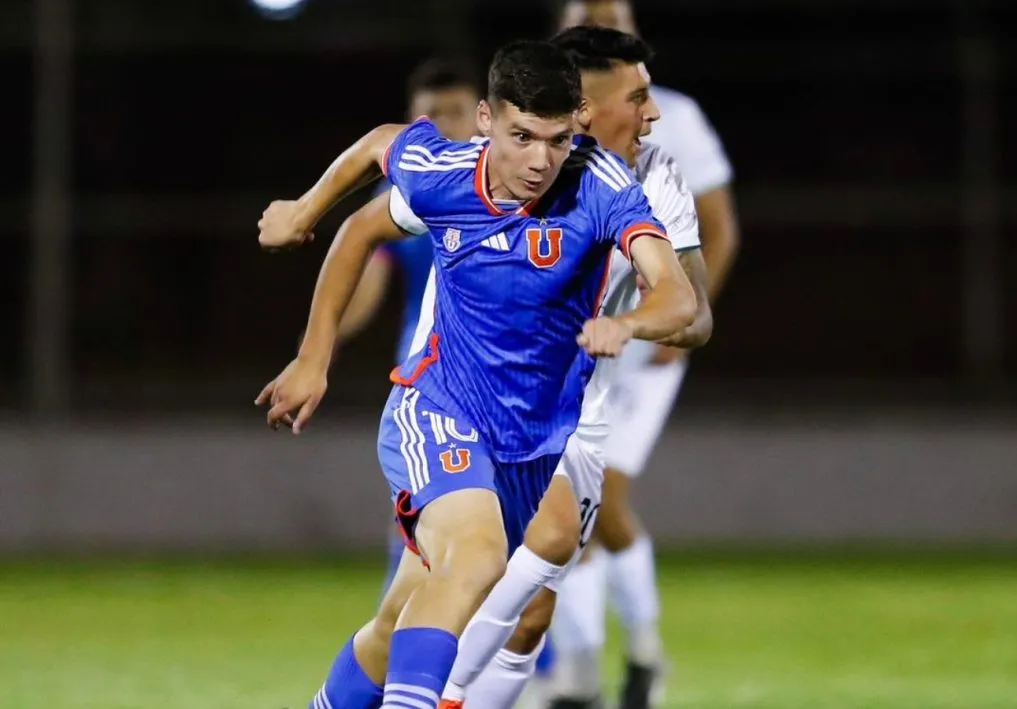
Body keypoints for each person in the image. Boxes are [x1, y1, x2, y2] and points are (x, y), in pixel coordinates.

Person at [255, 38, 698, 709]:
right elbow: (378, 152)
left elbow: (678, 294)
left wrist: (629, 323)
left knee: (396, 619)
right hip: (437, 405)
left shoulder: (602, 185)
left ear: (575, 126)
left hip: (531, 443)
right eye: (522, 136)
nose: (539, 160)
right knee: (480, 556)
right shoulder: (446, 172)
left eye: (555, 139)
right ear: (487, 120)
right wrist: (305, 223)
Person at [435, 26, 713, 709]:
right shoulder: (494, 168)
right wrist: (315, 349)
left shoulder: (654, 178)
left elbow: (696, 314)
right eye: (639, 96)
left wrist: (632, 323)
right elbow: (376, 211)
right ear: (585, 110)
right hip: (462, 402)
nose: (653, 114)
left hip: (578, 415)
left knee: (530, 608)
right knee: (461, 583)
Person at [549, 3, 742, 707]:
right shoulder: (516, 144)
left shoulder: (663, 148)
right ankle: (573, 668)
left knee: (589, 508)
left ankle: (626, 659)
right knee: (539, 529)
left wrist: (656, 324)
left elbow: (709, 253)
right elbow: (388, 183)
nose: (650, 112)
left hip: (629, 354)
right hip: (540, 368)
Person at [333, 58, 482, 592]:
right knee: (420, 520)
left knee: (521, 529)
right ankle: (395, 652)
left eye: (456, 111)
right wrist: (321, 345)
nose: (444, 124)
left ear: (483, 115)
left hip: (508, 384)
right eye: (430, 114)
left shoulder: (518, 184)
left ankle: (545, 663)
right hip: (430, 385)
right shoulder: (407, 196)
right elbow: (367, 279)